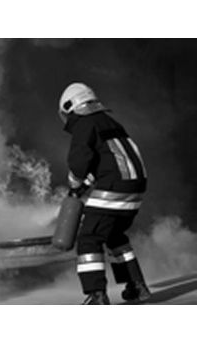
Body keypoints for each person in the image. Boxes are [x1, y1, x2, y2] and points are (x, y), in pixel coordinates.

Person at [58, 82, 151, 305]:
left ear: (71, 108)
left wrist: (75, 182)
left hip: (114, 190)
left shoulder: (85, 124)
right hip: (134, 190)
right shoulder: (110, 123)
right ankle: (137, 287)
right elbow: (107, 160)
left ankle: (97, 295)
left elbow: (80, 161)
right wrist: (85, 185)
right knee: (114, 235)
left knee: (89, 238)